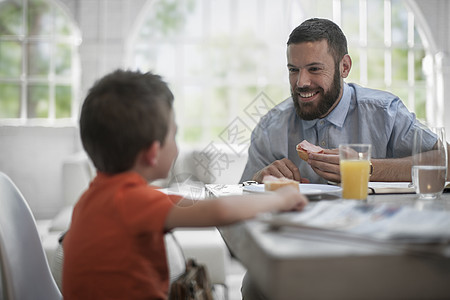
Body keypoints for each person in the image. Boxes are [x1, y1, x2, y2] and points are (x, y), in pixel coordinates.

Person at [61, 69, 307, 300]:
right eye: (174, 135)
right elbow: (219, 211)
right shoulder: (131, 201)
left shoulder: (93, 198)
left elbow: (193, 203)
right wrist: (280, 198)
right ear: (152, 153)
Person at [240, 17, 439, 186]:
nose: (301, 82)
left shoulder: (385, 112)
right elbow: (241, 194)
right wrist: (257, 180)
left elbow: (446, 161)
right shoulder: (270, 126)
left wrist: (367, 168)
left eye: (315, 69)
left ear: (344, 67)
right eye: (293, 70)